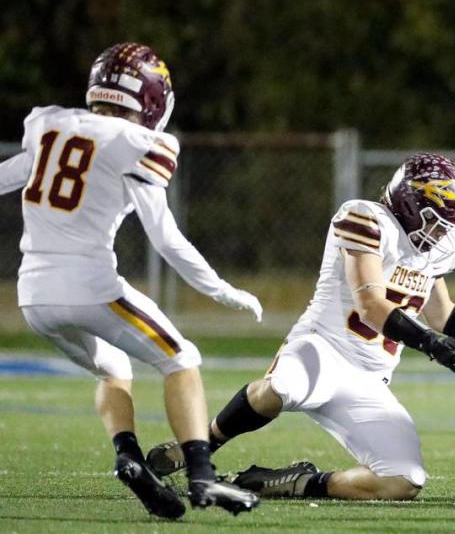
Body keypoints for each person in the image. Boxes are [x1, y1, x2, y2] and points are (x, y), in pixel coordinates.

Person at [145, 153, 455, 501]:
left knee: (404, 481)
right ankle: (201, 444)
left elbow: (443, 314)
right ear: (409, 204)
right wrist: (429, 343)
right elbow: (369, 304)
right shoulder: (364, 217)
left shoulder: (441, 247)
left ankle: (295, 482)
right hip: (322, 349)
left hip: (370, 379)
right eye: (438, 220)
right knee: (281, 388)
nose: (444, 234)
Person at [0, 43, 262, 519]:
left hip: (33, 297)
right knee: (181, 359)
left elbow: (7, 177)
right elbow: (166, 240)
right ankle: (202, 476)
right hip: (91, 288)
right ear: (154, 98)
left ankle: (130, 457)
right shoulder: (139, 142)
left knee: (113, 369)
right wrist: (222, 290)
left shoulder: (50, 123)